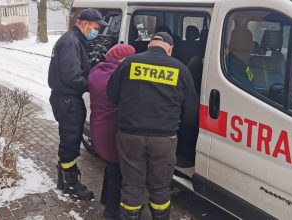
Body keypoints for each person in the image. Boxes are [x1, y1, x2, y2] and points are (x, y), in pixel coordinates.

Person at [107, 32, 199, 220]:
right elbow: (191, 111)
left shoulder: (128, 63)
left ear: (150, 45)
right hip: (164, 138)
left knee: (132, 184)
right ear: (170, 48)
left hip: (130, 135)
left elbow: (112, 96)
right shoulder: (180, 69)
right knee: (160, 186)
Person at [48, 8, 108, 200]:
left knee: (68, 140)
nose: (97, 31)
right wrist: (95, 85)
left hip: (66, 99)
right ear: (84, 24)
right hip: (67, 101)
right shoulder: (70, 42)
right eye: (96, 27)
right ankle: (71, 185)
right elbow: (72, 77)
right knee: (71, 142)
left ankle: (63, 180)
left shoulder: (73, 40)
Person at [87, 44, 136, 219]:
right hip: (112, 128)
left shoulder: (97, 70)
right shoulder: (118, 76)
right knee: (117, 170)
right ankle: (112, 211)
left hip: (99, 126)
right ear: (122, 59)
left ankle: (106, 198)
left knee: (110, 165)